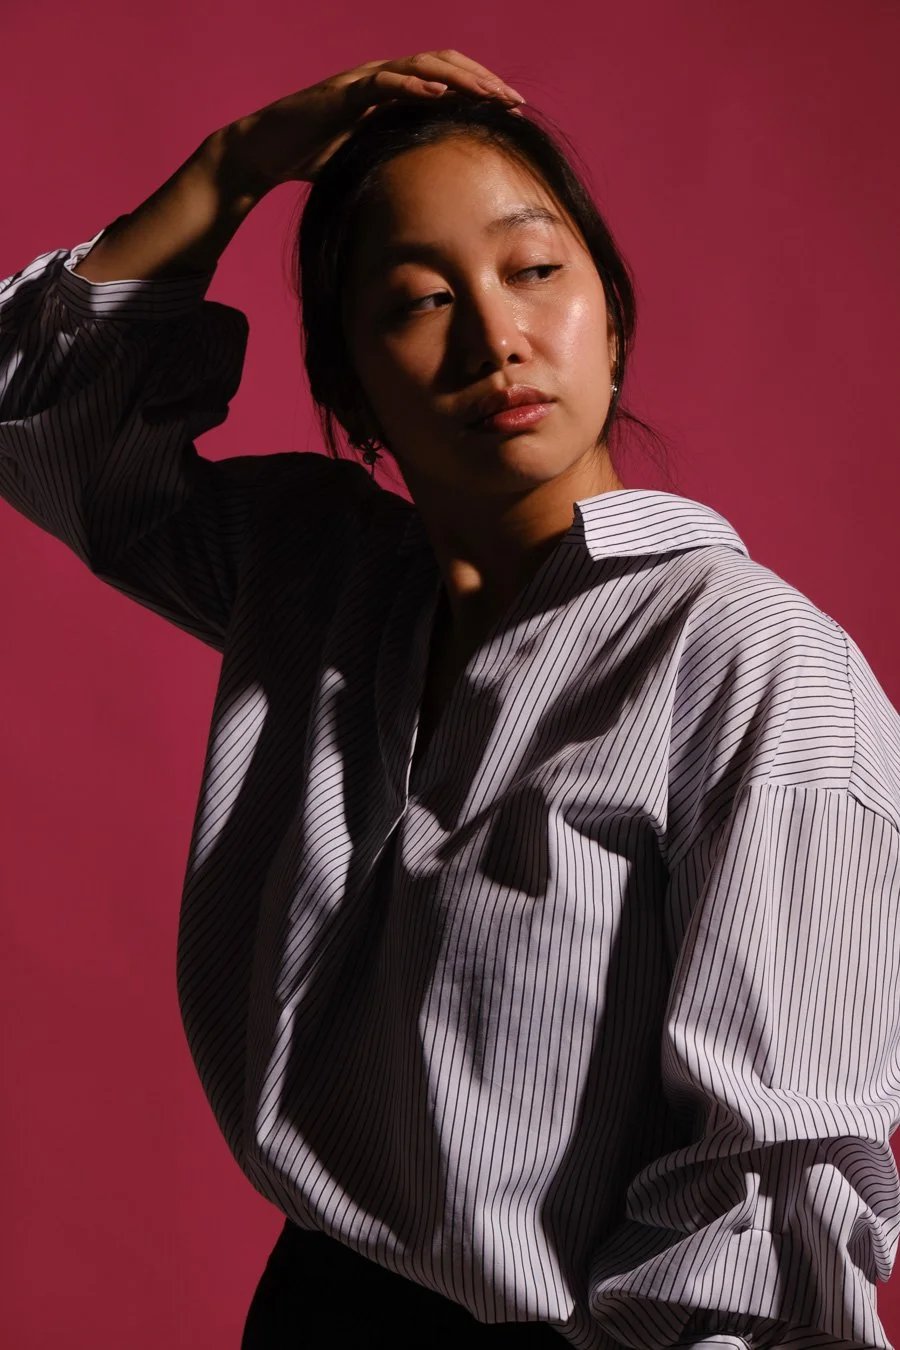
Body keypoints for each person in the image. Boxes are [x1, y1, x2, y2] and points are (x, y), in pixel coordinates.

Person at [2, 48, 899, 1350]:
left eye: (535, 271)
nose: (497, 340)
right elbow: (45, 420)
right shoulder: (320, 576)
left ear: (612, 318)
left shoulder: (753, 662)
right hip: (310, 1307)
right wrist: (236, 164)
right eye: (421, 299)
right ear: (350, 388)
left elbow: (770, 1191)